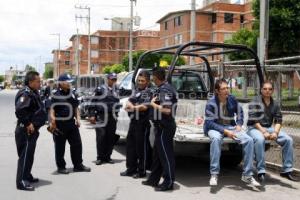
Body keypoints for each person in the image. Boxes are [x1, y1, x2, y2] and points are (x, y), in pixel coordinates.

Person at [204, 78, 260, 187]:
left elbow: (240, 112)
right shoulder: (211, 103)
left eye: (227, 88)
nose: (226, 90)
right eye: (223, 88)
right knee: (216, 139)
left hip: (230, 126)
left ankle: (247, 175)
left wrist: (239, 124)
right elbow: (209, 122)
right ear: (217, 91)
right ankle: (214, 174)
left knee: (248, 140)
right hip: (214, 127)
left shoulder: (232, 99)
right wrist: (225, 131)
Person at [247, 81, 298, 182]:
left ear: (272, 91)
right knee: (260, 139)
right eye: (265, 89)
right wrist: (263, 132)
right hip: (254, 128)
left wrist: (275, 132)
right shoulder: (255, 101)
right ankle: (261, 170)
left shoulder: (275, 104)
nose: (267, 91)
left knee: (288, 140)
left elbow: (278, 120)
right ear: (261, 90)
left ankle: (286, 170)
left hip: (268, 128)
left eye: (270, 89)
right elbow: (253, 119)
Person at [142, 67, 177, 192]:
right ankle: (153, 179)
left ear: (155, 77)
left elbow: (167, 110)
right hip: (159, 127)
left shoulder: (166, 90)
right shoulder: (162, 88)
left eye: (152, 77)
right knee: (157, 155)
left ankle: (168, 182)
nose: (152, 79)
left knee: (166, 156)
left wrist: (153, 104)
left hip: (165, 127)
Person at [50, 73, 91, 174]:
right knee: (60, 147)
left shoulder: (72, 93)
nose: (69, 84)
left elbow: (75, 106)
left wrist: (78, 118)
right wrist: (53, 122)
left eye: (70, 82)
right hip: (59, 124)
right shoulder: (55, 93)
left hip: (71, 124)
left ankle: (78, 165)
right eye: (67, 82)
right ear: (61, 83)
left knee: (77, 144)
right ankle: (61, 167)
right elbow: (51, 109)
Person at [15, 71, 47, 191]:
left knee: (29, 155)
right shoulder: (25, 93)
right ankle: (21, 181)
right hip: (25, 130)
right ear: (31, 82)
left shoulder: (33, 92)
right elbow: (20, 110)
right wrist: (28, 124)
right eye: (38, 81)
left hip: (32, 130)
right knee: (25, 156)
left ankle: (27, 175)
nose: (40, 83)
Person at [120, 70, 152, 178]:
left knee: (141, 148)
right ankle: (130, 169)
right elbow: (129, 100)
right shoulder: (137, 90)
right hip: (133, 122)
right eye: (139, 80)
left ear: (147, 82)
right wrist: (129, 104)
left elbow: (145, 106)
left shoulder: (149, 92)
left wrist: (133, 107)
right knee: (130, 146)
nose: (140, 82)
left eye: (142, 81)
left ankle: (141, 171)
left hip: (142, 123)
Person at [89, 73, 121, 165]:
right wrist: (92, 115)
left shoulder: (117, 90)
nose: (113, 81)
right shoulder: (100, 89)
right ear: (108, 79)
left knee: (111, 137)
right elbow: (93, 102)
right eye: (112, 79)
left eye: (115, 79)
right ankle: (100, 157)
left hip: (112, 116)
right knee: (101, 137)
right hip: (101, 116)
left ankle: (108, 156)